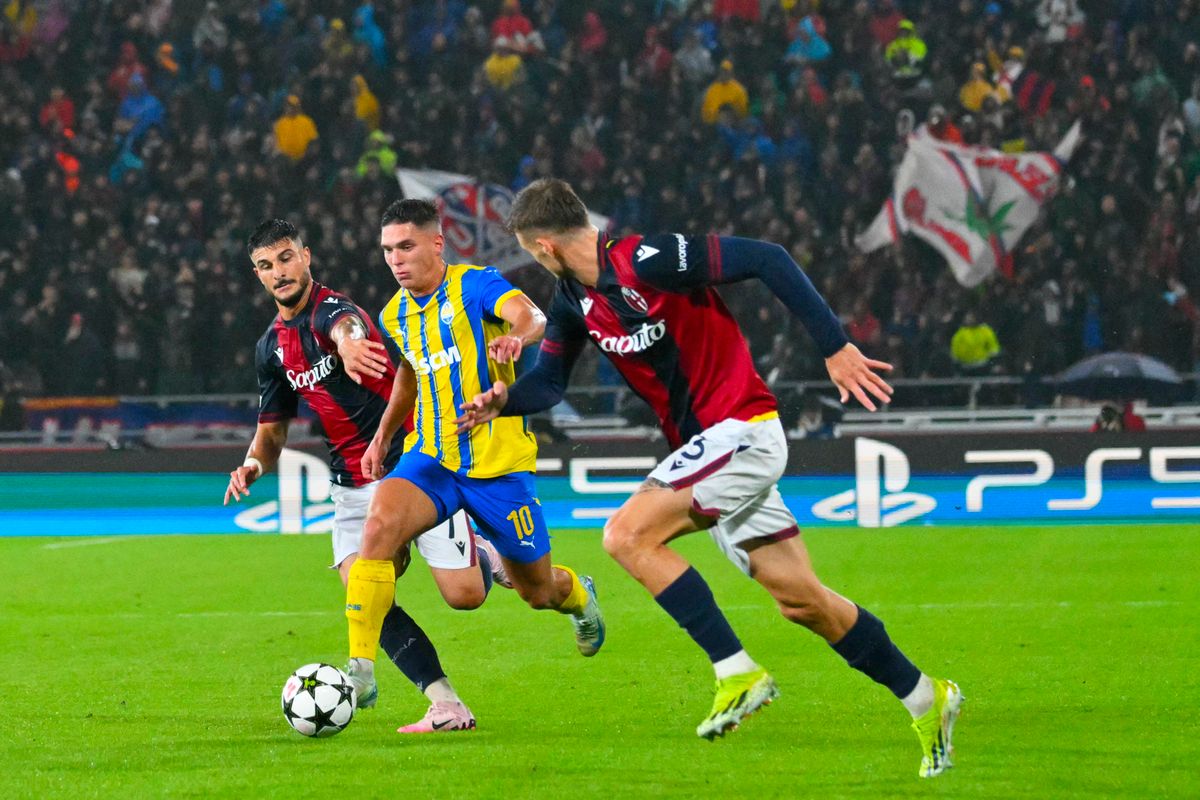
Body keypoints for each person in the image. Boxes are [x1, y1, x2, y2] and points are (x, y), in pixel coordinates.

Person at [456, 179, 962, 778]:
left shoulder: (649, 259)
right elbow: (551, 383)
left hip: (741, 430)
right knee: (803, 602)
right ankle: (927, 698)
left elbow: (768, 259)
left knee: (625, 536)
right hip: (710, 452)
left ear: (542, 245)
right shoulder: (572, 299)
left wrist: (834, 346)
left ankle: (735, 670)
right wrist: (503, 399)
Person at [225, 219, 509, 733]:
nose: (279, 272)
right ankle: (446, 703)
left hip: (410, 466)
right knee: (367, 595)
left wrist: (351, 343)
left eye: (286, 258)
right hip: (349, 485)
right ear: (258, 274)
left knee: (465, 595)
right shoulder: (271, 348)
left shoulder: (334, 310)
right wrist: (251, 464)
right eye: (266, 266)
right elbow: (271, 434)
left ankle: (488, 554)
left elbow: (346, 326)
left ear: (306, 256)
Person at [341, 199, 606, 727]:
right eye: (388, 250)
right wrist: (382, 436)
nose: (396, 260)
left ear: (436, 244)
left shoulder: (475, 284)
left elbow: (529, 314)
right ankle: (361, 669)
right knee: (378, 527)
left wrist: (518, 336)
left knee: (535, 591)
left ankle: (577, 595)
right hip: (432, 457)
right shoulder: (395, 313)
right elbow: (410, 374)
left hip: (499, 468)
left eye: (406, 247)